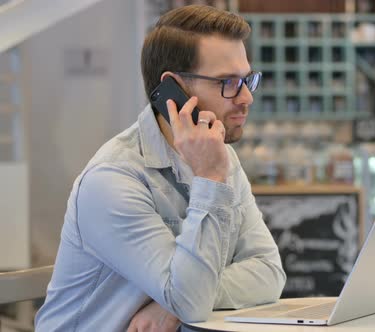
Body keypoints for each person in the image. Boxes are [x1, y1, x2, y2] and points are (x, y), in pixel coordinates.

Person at [35, 5, 286, 331]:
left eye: (247, 80)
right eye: (228, 82)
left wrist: (172, 306)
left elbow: (269, 272)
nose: (246, 98)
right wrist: (210, 179)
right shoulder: (112, 180)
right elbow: (190, 301)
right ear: (173, 91)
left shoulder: (219, 154)